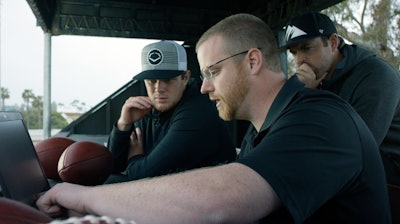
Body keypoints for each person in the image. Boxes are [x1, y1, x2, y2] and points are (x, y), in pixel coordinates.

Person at [36, 13, 391, 223]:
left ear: (252, 61)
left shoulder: (320, 118)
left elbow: (223, 198)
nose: (204, 88)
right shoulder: (261, 130)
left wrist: (83, 198)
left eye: (213, 72)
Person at [281, 11, 400, 185]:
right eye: (294, 52)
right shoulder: (317, 80)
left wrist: (310, 98)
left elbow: (356, 150)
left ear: (333, 43)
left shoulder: (376, 76)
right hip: (354, 169)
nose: (299, 61)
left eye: (307, 48)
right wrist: (303, 95)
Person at [105, 40, 236, 183]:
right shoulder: (146, 110)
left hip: (214, 196)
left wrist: (135, 158)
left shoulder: (198, 111)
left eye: (167, 80)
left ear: (185, 77)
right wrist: (123, 125)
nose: (158, 88)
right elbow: (112, 167)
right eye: (151, 81)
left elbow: (143, 176)